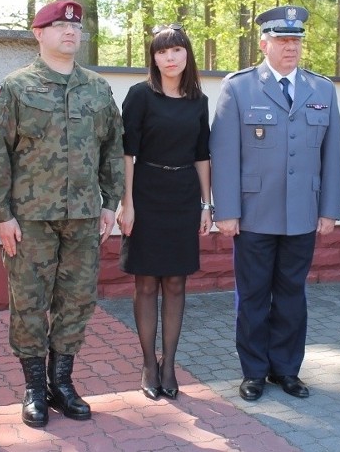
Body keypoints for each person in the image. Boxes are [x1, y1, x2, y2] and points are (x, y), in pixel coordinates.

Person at [0, 0, 124, 428]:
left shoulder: (97, 89)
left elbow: (112, 148)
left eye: (75, 28)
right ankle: (33, 388)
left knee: (76, 300)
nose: (69, 33)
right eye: (58, 26)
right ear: (38, 33)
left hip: (82, 216)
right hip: (30, 219)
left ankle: (62, 383)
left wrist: (110, 203)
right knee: (29, 302)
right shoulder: (16, 88)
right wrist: (2, 214)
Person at [210, 5, 340, 402]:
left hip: (302, 214)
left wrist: (329, 211)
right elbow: (225, 154)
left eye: (296, 40)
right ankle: (253, 371)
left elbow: (331, 155)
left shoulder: (321, 90)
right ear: (264, 43)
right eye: (283, 40)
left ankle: (286, 370)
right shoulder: (239, 87)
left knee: (291, 295)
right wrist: (227, 211)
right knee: (252, 296)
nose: (291, 47)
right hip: (253, 214)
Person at [116, 25, 212, 401]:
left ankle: (169, 364)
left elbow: (203, 154)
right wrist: (128, 202)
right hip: (146, 193)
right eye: (161, 52)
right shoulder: (140, 96)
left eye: (176, 50)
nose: (170, 58)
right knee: (145, 284)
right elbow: (127, 153)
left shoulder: (198, 100)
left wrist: (207, 205)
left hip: (184, 196)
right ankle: (148, 364)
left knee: (175, 283)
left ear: (187, 54)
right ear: (153, 58)